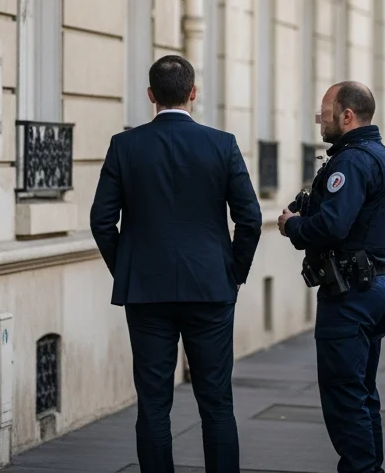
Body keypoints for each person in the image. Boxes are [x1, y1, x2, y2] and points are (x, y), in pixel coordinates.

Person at [89, 55, 262, 473]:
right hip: (211, 288)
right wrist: (233, 274)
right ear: (193, 93)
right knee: (217, 403)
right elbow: (251, 219)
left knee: (152, 405)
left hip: (146, 290)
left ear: (151, 95)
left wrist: (128, 269)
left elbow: (101, 220)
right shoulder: (222, 144)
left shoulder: (124, 145)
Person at [277, 81, 385, 473]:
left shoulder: (352, 161)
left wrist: (293, 226)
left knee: (344, 396)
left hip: (351, 293)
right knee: (363, 393)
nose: (321, 121)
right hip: (378, 286)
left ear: (347, 115)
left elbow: (333, 226)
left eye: (325, 113)